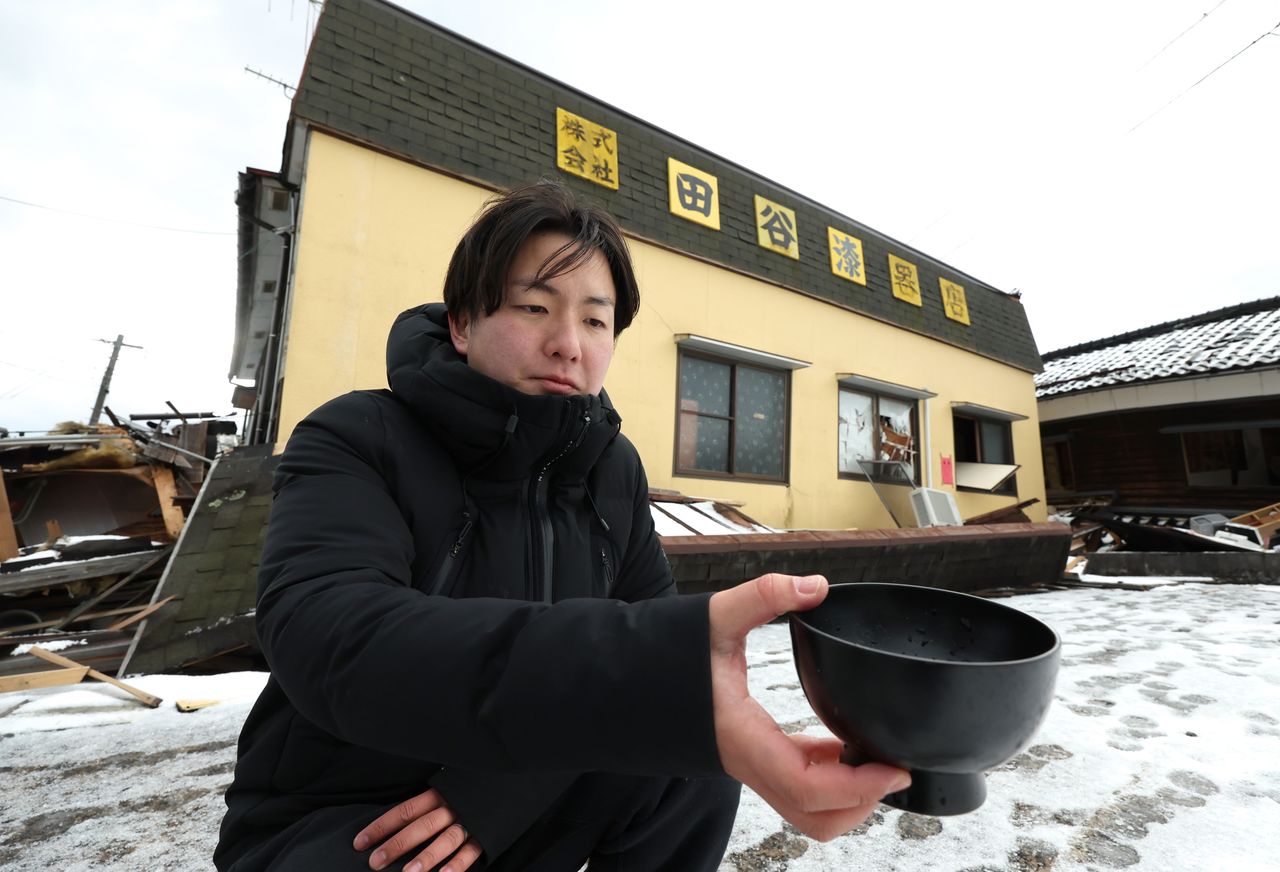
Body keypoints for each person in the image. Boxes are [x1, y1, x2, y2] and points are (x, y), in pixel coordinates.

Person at [215, 181, 908, 872]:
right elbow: (332, 636)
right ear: (462, 323)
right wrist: (647, 675)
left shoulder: (611, 469)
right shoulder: (357, 435)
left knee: (688, 769)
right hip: (349, 809)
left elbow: (649, 668)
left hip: (529, 789)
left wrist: (500, 791)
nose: (568, 345)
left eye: (596, 321)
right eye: (534, 307)